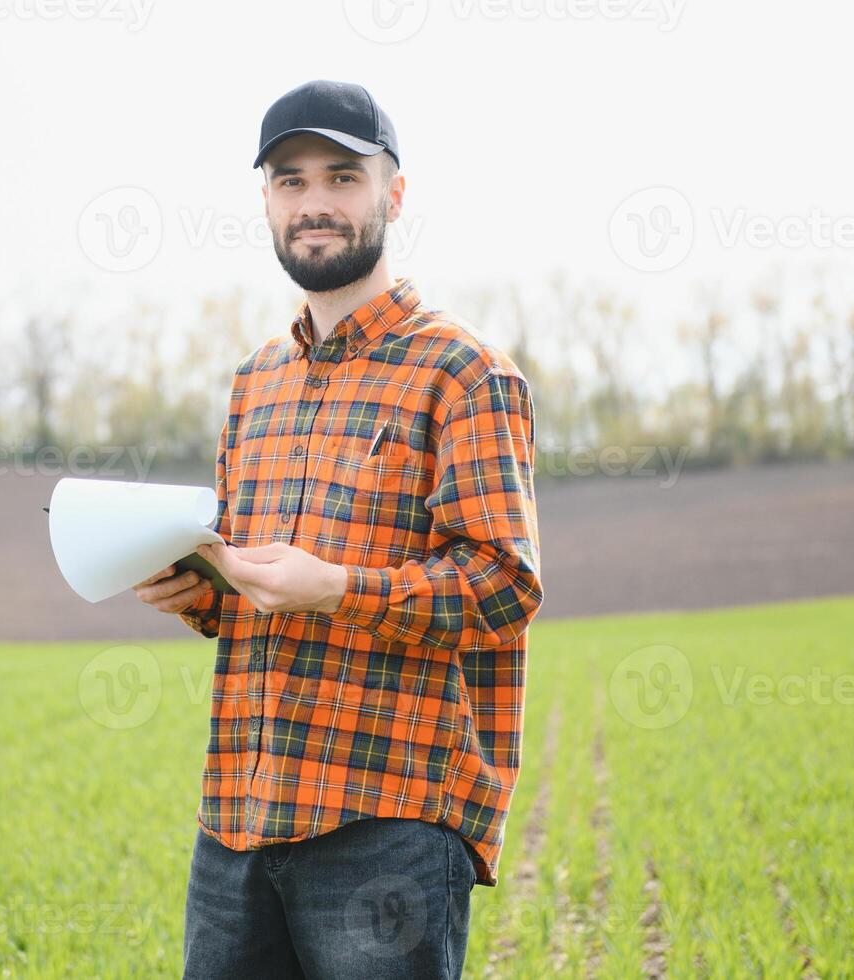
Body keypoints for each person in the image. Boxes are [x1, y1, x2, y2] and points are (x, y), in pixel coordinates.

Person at [132, 79, 544, 979]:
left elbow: (504, 585)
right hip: (238, 815)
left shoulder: (463, 374)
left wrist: (341, 590)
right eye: (288, 181)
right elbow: (253, 584)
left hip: (386, 825)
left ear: (391, 196)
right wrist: (201, 590)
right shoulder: (255, 383)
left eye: (340, 177)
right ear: (267, 203)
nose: (313, 202)